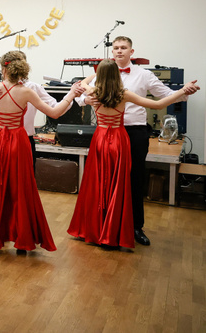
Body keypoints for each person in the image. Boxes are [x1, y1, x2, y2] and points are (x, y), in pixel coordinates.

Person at [75, 36, 198, 246]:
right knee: (103, 179)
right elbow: (80, 96)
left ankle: (134, 227)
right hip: (106, 133)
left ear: (131, 52)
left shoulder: (144, 74)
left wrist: (183, 92)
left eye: (123, 48)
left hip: (134, 132)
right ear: (112, 52)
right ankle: (102, 224)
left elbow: (166, 96)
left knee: (134, 179)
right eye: (116, 48)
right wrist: (86, 99)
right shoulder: (104, 78)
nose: (119, 51)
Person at [0, 51, 83, 255]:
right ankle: (22, 240)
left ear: (3, 68)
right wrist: (71, 94)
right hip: (19, 141)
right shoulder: (27, 91)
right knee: (21, 189)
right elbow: (55, 113)